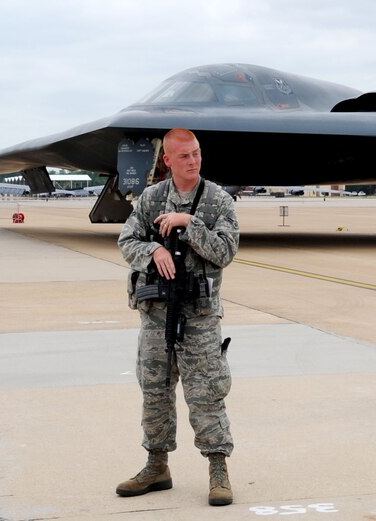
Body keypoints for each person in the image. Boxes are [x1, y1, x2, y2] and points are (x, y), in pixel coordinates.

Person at [116, 128, 239, 506]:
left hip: (199, 317)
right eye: (184, 156)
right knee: (154, 391)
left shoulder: (218, 200)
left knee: (206, 394)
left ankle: (218, 469)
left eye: (197, 153)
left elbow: (225, 251)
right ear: (167, 160)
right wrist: (154, 250)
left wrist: (190, 224)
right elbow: (126, 241)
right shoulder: (151, 199)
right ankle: (157, 466)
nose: (194, 161)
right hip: (156, 315)